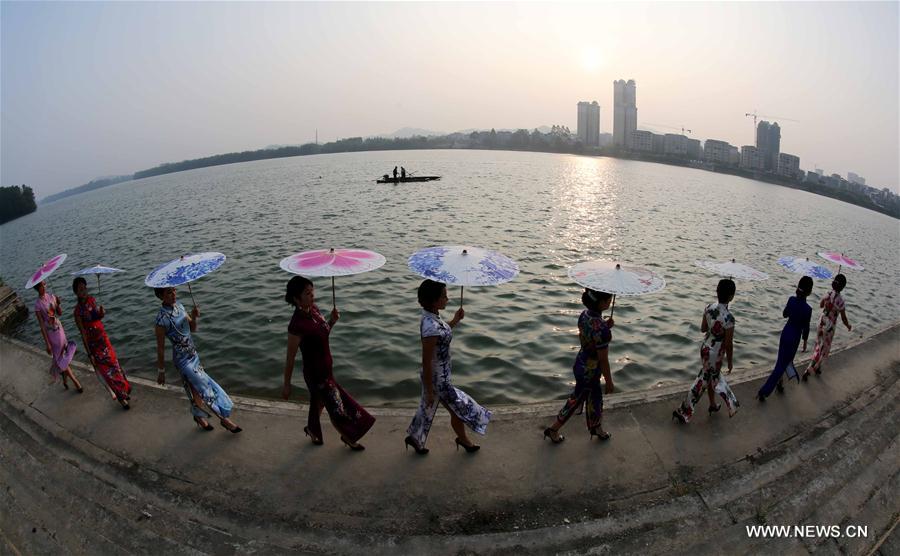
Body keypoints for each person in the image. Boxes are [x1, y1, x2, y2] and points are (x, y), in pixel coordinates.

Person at [282, 276, 375, 450]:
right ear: (296, 299)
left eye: (312, 292)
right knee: (336, 407)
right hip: (316, 374)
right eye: (307, 293)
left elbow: (322, 334)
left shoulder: (315, 310)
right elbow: (290, 358)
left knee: (320, 402)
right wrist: (286, 384)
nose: (312, 296)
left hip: (326, 368)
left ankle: (312, 430)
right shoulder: (296, 325)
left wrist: (331, 321)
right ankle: (348, 437)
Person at [405, 279, 493, 455]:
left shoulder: (433, 317)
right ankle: (464, 440)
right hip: (438, 379)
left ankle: (415, 438)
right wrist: (430, 389)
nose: (448, 299)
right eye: (444, 296)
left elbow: (443, 334)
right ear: (434, 300)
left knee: (427, 408)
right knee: (459, 407)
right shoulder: (429, 326)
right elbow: (426, 360)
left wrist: (455, 320)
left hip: (441, 375)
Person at [154, 287, 241, 433]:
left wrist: (194, 317)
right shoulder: (161, 319)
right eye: (169, 292)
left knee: (195, 389)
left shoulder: (180, 307)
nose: (174, 294)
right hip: (182, 361)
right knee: (204, 387)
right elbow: (161, 348)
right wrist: (161, 371)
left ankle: (198, 417)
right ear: (160, 296)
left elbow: (192, 329)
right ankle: (224, 420)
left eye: (174, 290)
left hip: (193, 355)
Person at [543, 288, 615, 443]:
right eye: (609, 300)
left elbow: (590, 335)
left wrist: (605, 325)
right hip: (591, 371)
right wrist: (609, 381)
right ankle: (553, 429)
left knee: (595, 398)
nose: (610, 302)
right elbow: (603, 360)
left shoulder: (584, 315)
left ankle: (596, 428)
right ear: (601, 303)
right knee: (576, 401)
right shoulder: (602, 330)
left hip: (581, 362)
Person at [673, 279, 739, 423]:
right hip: (716, 354)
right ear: (732, 296)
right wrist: (730, 362)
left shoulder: (708, 307)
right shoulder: (729, 318)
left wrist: (713, 326)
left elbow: (703, 329)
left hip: (705, 348)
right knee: (703, 380)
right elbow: (728, 344)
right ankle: (684, 410)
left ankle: (713, 405)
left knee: (710, 377)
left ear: (717, 291)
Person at [72, 277, 131, 409]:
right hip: (94, 346)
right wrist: (89, 354)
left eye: (84, 288)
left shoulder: (92, 300)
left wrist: (101, 313)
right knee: (107, 373)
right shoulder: (77, 312)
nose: (83, 291)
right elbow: (83, 333)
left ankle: (125, 390)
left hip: (104, 340)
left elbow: (97, 317)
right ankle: (121, 399)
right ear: (76, 293)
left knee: (115, 366)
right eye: (80, 290)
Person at [757, 276, 813, 401]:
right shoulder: (808, 309)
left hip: (786, 332)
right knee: (782, 364)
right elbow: (806, 328)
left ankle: (780, 383)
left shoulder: (791, 300)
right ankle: (764, 391)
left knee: (781, 360)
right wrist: (805, 341)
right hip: (795, 337)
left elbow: (784, 314)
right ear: (809, 292)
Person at [33, 280, 82, 392]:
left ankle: (64, 380)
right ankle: (76, 382)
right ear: (37, 288)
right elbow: (42, 325)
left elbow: (59, 313)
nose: (44, 287)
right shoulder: (37, 305)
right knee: (61, 358)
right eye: (41, 285)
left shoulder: (52, 296)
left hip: (60, 330)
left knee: (64, 356)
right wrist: (47, 343)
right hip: (51, 335)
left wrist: (58, 304)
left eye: (44, 284)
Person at [803, 274, 852, 380]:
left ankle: (818, 368)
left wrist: (828, 301)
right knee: (823, 349)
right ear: (843, 287)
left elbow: (821, 305)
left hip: (821, 322)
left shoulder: (828, 293)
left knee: (818, 345)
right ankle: (809, 370)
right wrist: (848, 325)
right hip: (829, 327)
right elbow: (843, 318)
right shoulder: (841, 301)